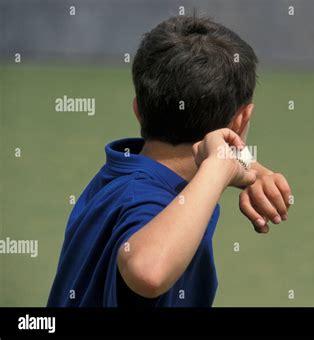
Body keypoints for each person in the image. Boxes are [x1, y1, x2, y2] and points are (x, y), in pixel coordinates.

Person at [48, 16, 291, 307]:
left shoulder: (119, 174)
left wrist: (248, 168)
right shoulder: (152, 201)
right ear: (241, 120)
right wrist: (217, 168)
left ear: (138, 109)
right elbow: (148, 272)